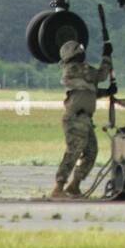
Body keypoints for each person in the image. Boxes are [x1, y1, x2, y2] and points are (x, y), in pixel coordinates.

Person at [51, 39, 115, 200]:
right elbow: (100, 75)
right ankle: (58, 188)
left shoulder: (81, 73)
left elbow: (89, 91)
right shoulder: (73, 69)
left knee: (91, 152)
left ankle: (75, 185)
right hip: (75, 118)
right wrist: (106, 57)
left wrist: (107, 91)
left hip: (85, 119)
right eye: (79, 50)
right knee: (74, 152)